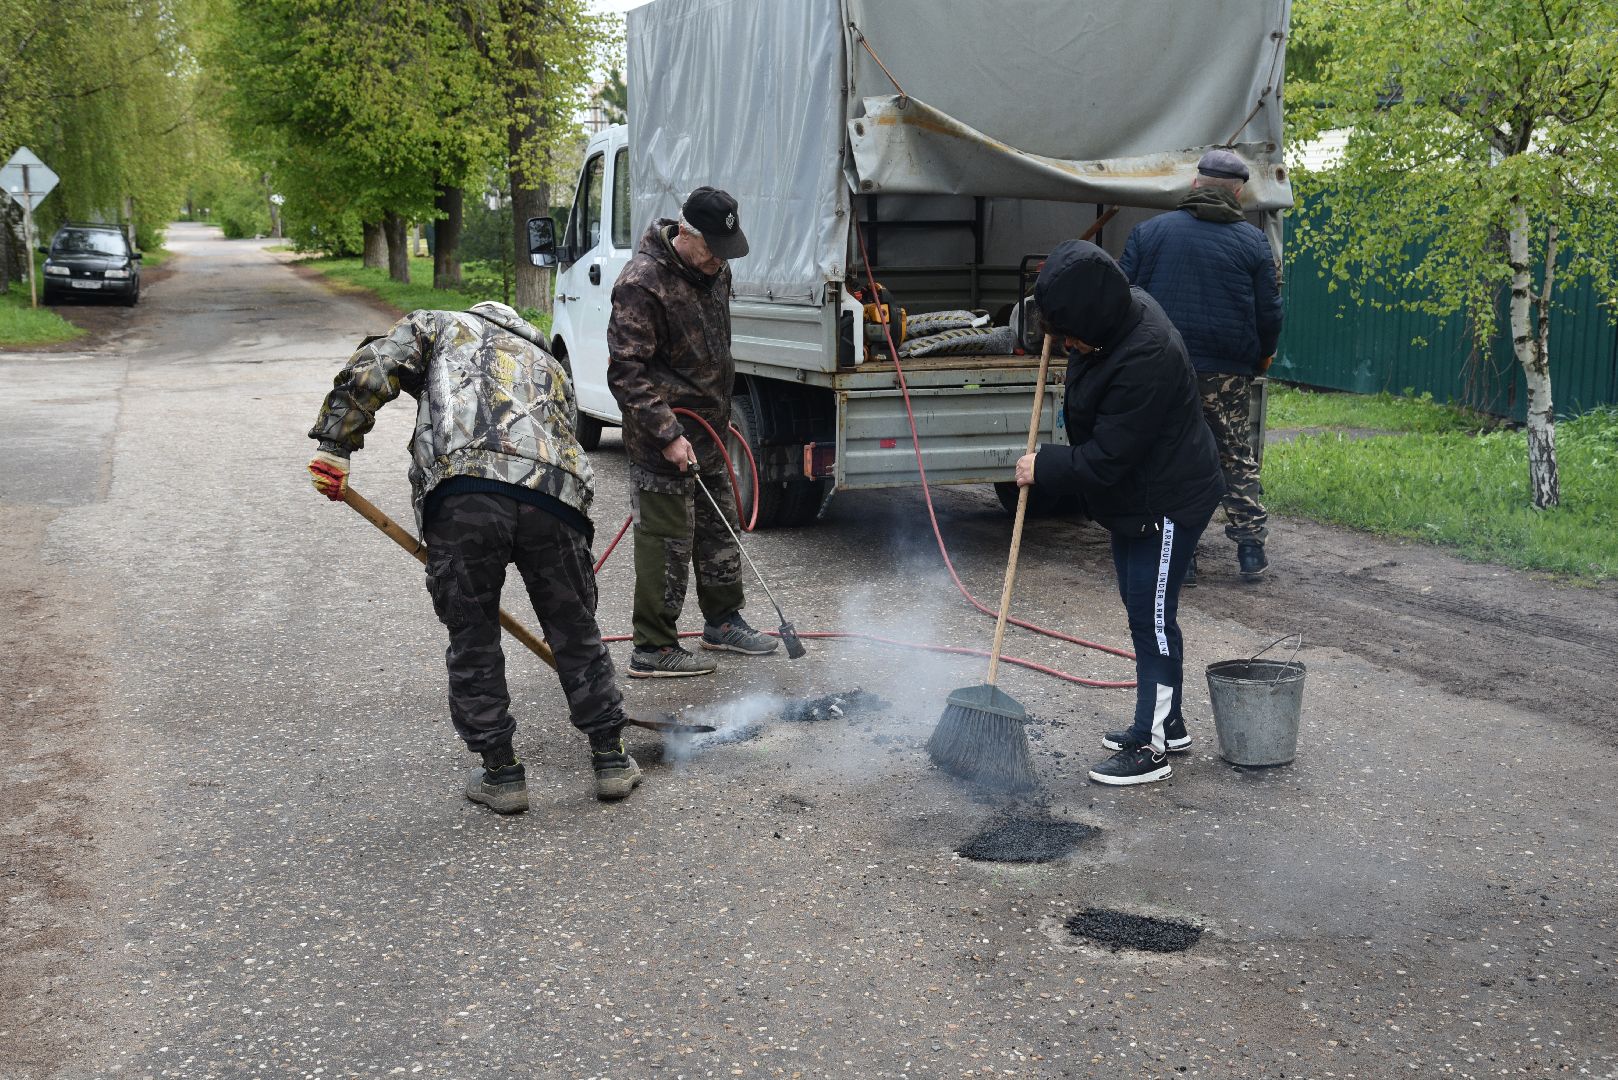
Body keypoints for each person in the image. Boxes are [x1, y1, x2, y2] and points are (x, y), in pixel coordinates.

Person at [306, 300, 641, 814]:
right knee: (575, 628)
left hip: (466, 495)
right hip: (556, 499)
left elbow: (375, 364)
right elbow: (567, 441)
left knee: (473, 631)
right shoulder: (548, 362)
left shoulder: (441, 324)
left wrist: (336, 442)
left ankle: (502, 775)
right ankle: (611, 758)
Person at [1015, 240, 1225, 786]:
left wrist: (1046, 467)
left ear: (1096, 319)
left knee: (1151, 618)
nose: (1064, 344)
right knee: (1141, 609)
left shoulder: (1145, 355)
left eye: (1069, 335)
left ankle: (1150, 747)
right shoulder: (1112, 322)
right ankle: (1168, 722)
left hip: (1167, 501)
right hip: (1137, 499)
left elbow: (1109, 458)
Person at [606, 186, 779, 677]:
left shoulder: (715, 271)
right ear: (685, 233)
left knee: (719, 529)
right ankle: (653, 646)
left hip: (708, 433)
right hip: (663, 441)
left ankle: (723, 623)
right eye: (712, 250)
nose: (720, 262)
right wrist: (667, 433)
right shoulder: (643, 283)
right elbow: (626, 372)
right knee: (666, 543)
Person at [1119, 148, 1283, 583]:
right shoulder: (1253, 243)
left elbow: (1122, 301)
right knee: (1233, 453)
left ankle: (1180, 557)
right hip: (1226, 369)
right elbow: (1270, 312)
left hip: (1160, 367)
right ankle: (1250, 550)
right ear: (1239, 192)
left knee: (1166, 455)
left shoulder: (1149, 233)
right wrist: (1262, 355)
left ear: (1195, 184)